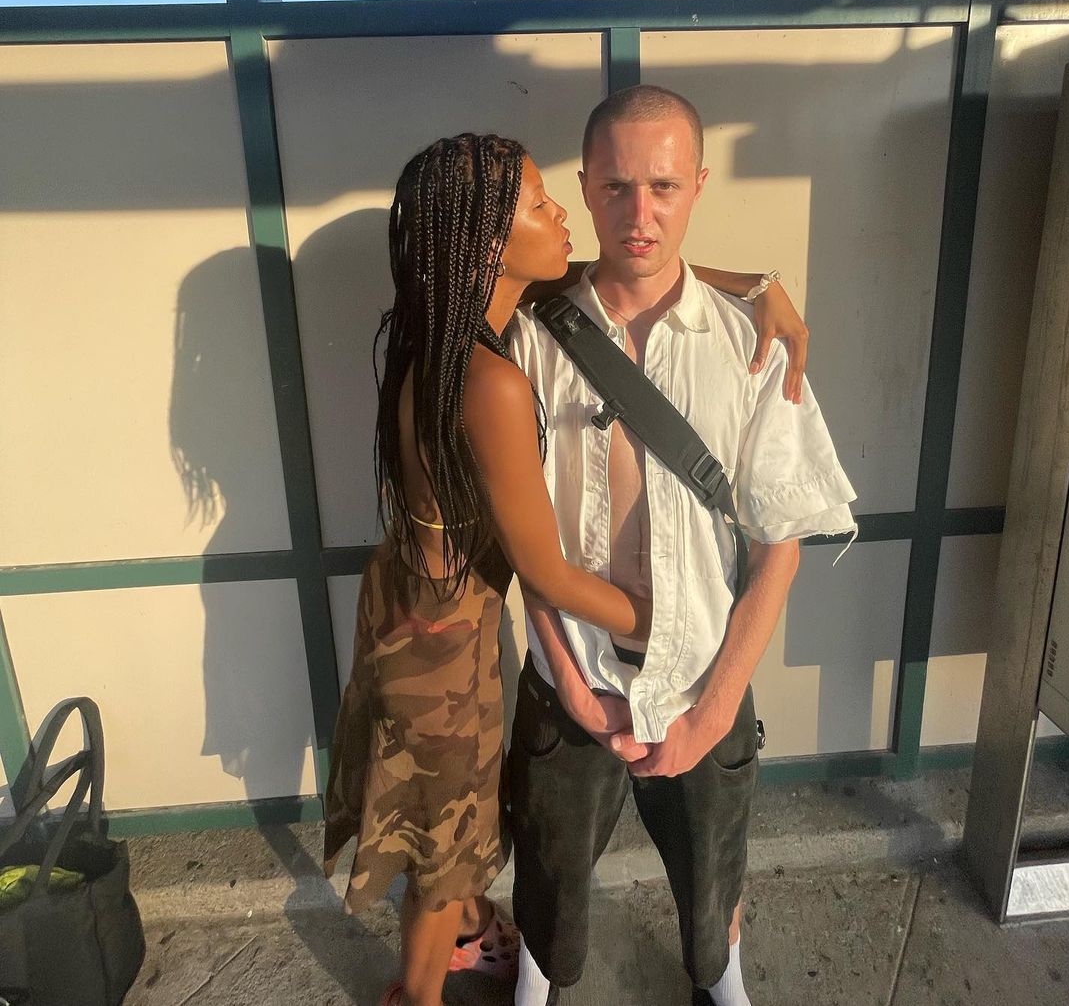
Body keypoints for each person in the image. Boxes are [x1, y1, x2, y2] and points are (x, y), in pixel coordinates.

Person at [323, 132, 809, 1006]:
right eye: (541, 204)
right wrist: (674, 620)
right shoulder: (495, 379)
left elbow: (634, 266)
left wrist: (757, 284)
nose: (563, 217)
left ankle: (472, 932)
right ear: (488, 245)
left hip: (412, 608)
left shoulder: (450, 324)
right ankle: (418, 991)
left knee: (455, 818)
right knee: (445, 842)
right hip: (440, 647)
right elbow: (546, 572)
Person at [508, 86, 858, 1006]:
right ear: (585, 185)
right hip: (571, 667)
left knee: (714, 870)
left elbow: (778, 546)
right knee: (550, 864)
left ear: (698, 184)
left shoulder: (752, 342)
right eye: (616, 187)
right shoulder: (531, 340)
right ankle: (537, 979)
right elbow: (524, 542)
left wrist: (716, 706)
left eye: (663, 186)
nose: (640, 212)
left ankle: (721, 978)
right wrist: (571, 684)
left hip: (707, 672)